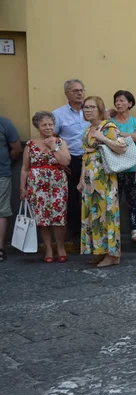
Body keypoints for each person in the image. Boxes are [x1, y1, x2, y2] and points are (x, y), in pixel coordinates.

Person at [78, 96, 126, 267]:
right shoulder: (86, 131)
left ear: (99, 109)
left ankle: (113, 255)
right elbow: (86, 157)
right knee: (94, 215)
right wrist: (81, 180)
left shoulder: (108, 127)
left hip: (104, 178)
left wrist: (103, 138)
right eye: (85, 107)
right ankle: (99, 250)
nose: (88, 110)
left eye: (92, 107)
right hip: (90, 180)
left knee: (107, 214)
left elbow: (121, 147)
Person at [20, 112, 71, 263]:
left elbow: (66, 161)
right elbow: (24, 168)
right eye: (44, 125)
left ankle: (60, 246)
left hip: (57, 184)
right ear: (38, 126)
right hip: (37, 185)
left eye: (50, 124)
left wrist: (53, 147)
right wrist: (22, 188)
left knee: (59, 216)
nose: (48, 127)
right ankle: (48, 248)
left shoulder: (60, 142)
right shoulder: (30, 145)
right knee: (42, 218)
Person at [53, 79, 90, 245]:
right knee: (73, 197)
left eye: (82, 90)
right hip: (71, 160)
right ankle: (75, 232)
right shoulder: (59, 114)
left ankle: (90, 230)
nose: (80, 93)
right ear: (67, 94)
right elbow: (52, 138)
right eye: (76, 91)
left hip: (91, 159)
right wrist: (60, 160)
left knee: (90, 195)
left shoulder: (90, 110)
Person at [110, 90, 136, 242]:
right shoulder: (110, 121)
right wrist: (130, 136)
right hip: (114, 166)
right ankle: (114, 230)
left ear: (130, 104)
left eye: (122, 100)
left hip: (132, 167)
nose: (118, 103)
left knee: (134, 200)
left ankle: (134, 229)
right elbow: (108, 136)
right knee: (113, 200)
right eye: (116, 101)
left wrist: (119, 134)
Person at [0, 116, 22, 262]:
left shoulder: (4, 123)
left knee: (1, 210)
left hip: (1, 173)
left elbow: (16, 149)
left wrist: (5, 162)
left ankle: (0, 248)